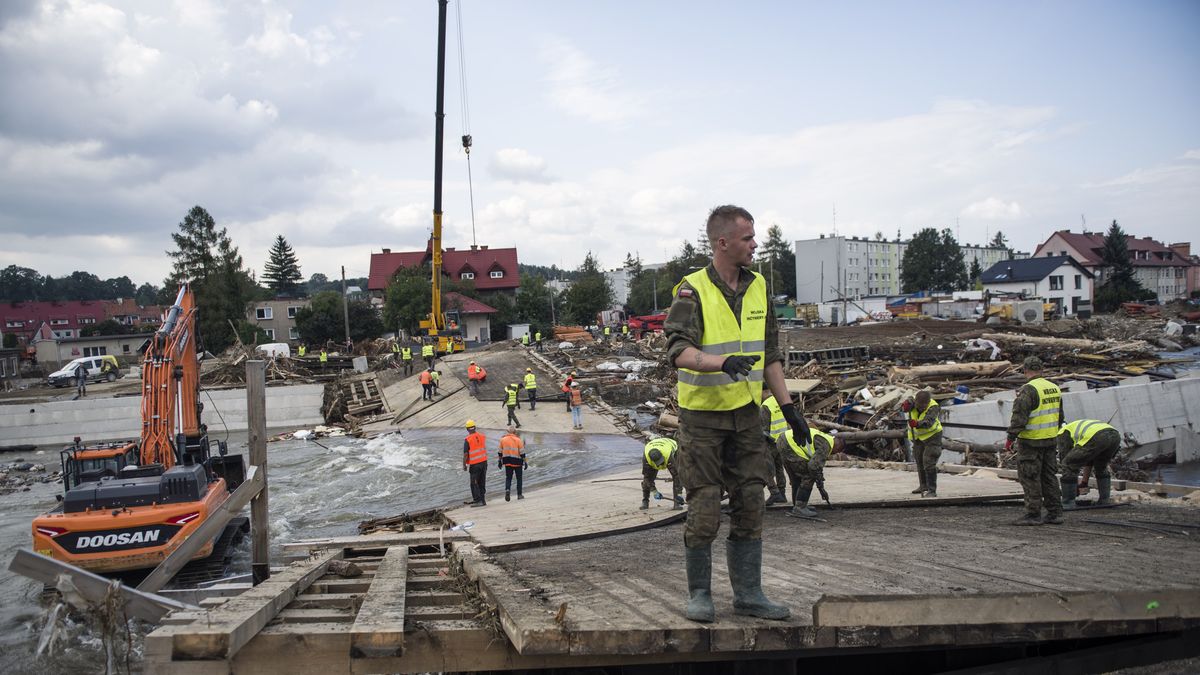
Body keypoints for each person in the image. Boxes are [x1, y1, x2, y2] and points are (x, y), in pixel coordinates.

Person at [665, 204, 806, 623]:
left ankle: (749, 593)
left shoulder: (759, 285)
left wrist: (789, 408)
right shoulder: (691, 290)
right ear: (722, 242)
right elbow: (676, 350)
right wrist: (718, 363)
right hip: (703, 418)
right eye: (747, 238)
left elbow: (771, 354)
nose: (755, 244)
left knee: (751, 501)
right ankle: (700, 594)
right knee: (705, 506)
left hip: (747, 415)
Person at [1006, 356, 1064, 525]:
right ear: (1042, 370)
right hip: (1051, 439)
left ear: (1025, 371)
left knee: (1030, 477)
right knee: (1049, 476)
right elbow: (1060, 416)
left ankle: (1033, 514)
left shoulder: (1028, 390)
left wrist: (1010, 438)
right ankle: (1055, 512)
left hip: (1031, 442)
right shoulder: (1054, 388)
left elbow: (1019, 417)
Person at [778, 425, 844, 518]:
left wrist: (820, 483)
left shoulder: (825, 438)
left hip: (783, 440)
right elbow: (813, 466)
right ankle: (800, 507)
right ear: (837, 448)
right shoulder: (827, 445)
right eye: (837, 452)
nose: (834, 454)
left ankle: (797, 504)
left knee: (796, 477)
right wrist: (820, 484)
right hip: (790, 445)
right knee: (808, 475)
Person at [1058, 419, 1121, 509]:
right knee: (1101, 466)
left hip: (1097, 436)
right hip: (1114, 436)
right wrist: (1084, 482)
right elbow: (1089, 458)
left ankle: (1068, 502)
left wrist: (1072, 488)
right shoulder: (1077, 426)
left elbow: (1066, 461)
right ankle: (1104, 500)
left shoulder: (1063, 432)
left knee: (1068, 464)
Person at [903, 389, 943, 497]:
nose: (921, 408)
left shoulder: (933, 407)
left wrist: (917, 423)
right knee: (919, 460)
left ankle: (932, 491)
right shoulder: (913, 402)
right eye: (919, 406)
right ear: (916, 401)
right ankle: (923, 485)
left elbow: (928, 422)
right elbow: (905, 407)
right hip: (918, 438)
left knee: (929, 462)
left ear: (928, 402)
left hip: (933, 437)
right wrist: (905, 407)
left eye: (923, 406)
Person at [759, 392, 790, 505]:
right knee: (779, 468)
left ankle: (774, 492)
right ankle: (782, 494)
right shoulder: (779, 401)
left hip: (771, 443)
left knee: (765, 469)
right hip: (783, 441)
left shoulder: (765, 406)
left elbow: (764, 430)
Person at [641, 437, 683, 510]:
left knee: (677, 474)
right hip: (654, 446)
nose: (661, 464)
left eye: (661, 461)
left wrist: (679, 494)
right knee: (647, 478)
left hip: (672, 447)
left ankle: (677, 502)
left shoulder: (668, 454)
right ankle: (645, 500)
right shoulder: (646, 459)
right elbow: (647, 478)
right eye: (658, 463)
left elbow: (677, 476)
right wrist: (654, 491)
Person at [498, 425, 527, 501]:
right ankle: (519, 495)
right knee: (519, 479)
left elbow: (500, 452)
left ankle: (507, 490)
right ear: (515, 432)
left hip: (507, 461)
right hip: (517, 462)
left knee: (508, 478)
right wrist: (525, 461)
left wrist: (499, 461)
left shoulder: (502, 440)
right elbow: (522, 453)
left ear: (507, 431)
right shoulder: (518, 440)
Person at [463, 420, 488, 506]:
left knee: (473, 483)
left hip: (475, 464)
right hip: (484, 462)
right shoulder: (482, 436)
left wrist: (464, 464)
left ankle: (478, 500)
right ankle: (483, 500)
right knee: (482, 481)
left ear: (467, 429)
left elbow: (466, 454)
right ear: (475, 427)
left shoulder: (468, 439)